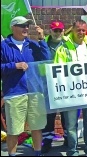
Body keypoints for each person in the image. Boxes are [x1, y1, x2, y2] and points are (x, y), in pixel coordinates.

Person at [1, 16, 51, 156]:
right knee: (14, 130)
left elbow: (47, 60)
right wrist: (14, 66)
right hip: (14, 92)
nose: (26, 28)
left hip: (35, 91)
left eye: (27, 26)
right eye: (22, 25)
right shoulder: (4, 46)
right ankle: (12, 154)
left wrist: (42, 39)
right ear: (13, 27)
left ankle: (37, 153)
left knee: (37, 127)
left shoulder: (33, 44)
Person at [54, 20, 87, 156]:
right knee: (70, 125)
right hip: (71, 92)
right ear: (73, 30)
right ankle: (72, 151)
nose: (81, 33)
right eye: (78, 30)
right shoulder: (63, 48)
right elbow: (58, 70)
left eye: (83, 30)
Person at [41, 21, 69, 153]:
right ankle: (47, 141)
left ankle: (68, 139)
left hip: (65, 84)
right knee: (49, 115)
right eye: (55, 30)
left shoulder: (69, 44)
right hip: (47, 84)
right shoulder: (42, 43)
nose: (57, 33)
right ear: (50, 31)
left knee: (66, 115)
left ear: (63, 31)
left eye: (60, 30)